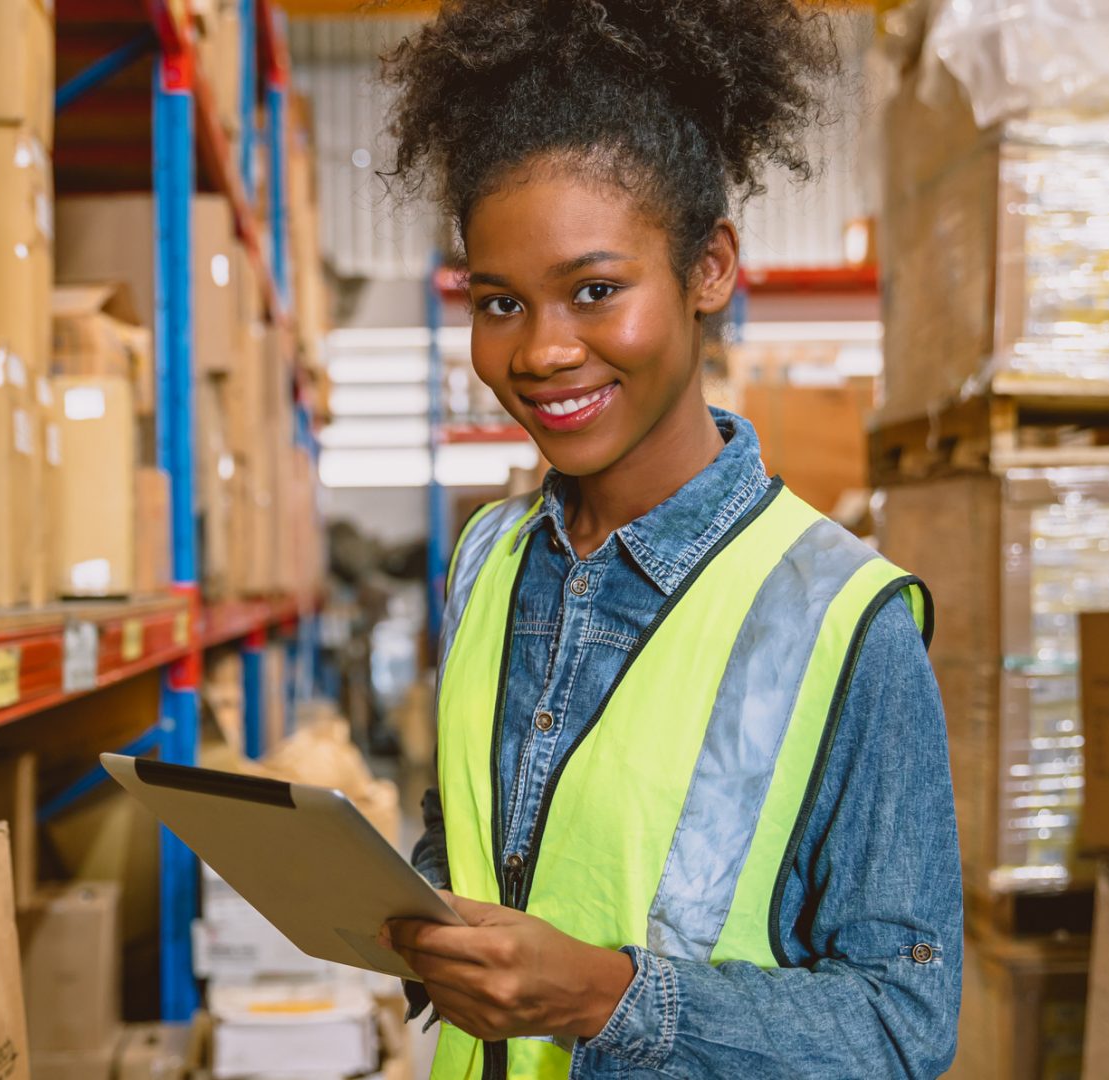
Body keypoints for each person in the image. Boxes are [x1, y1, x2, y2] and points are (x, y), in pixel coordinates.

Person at [371, 2, 964, 1076]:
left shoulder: (841, 618)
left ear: (710, 269)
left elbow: (902, 1028)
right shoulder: (488, 560)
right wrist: (417, 915)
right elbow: (468, 824)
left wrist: (608, 997)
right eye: (499, 302)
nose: (544, 350)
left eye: (596, 291)